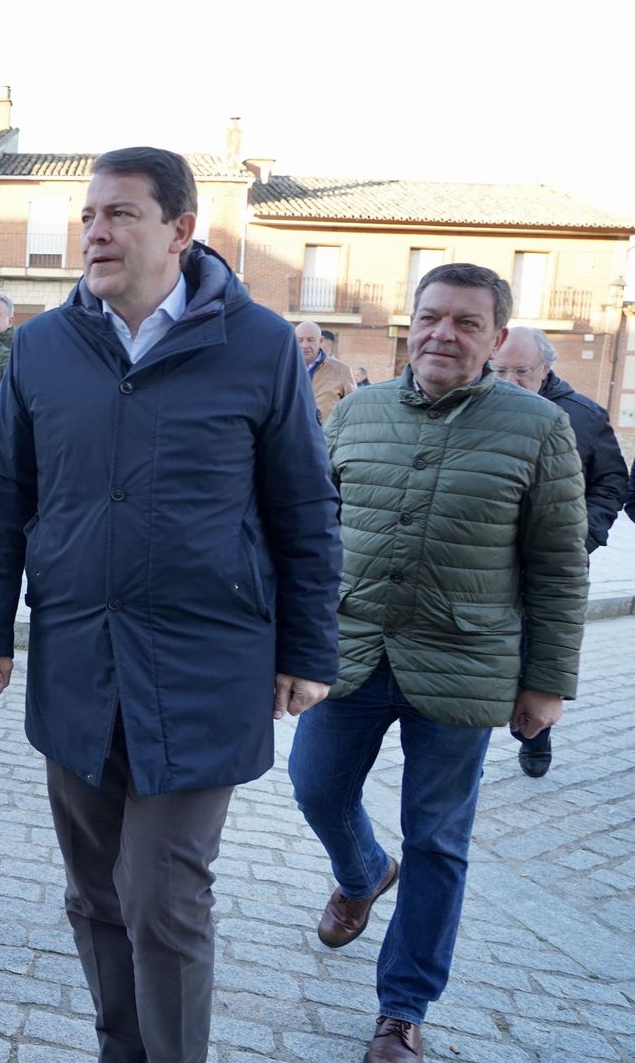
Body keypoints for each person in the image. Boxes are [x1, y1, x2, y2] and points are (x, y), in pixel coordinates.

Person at [0, 147, 341, 1063]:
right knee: (94, 894)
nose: (95, 232)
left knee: (163, 898)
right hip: (78, 660)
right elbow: (4, 492)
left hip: (206, 667)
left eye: (121, 214)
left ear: (180, 230)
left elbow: (303, 504)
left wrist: (309, 650)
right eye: (89, 216)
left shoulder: (259, 345)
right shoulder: (43, 346)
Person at [291, 264, 586, 1062]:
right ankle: (362, 873)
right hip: (351, 650)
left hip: (465, 663)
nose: (442, 334)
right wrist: (289, 639)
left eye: (465, 322)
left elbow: (560, 566)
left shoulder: (538, 428)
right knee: (314, 786)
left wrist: (547, 682)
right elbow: (312, 532)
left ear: (496, 337)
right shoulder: (359, 411)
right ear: (410, 323)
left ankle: (402, 1009)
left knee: (438, 841)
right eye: (430, 317)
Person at [489, 323, 622, 778]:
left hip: (548, 567)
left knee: (536, 654)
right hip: (483, 564)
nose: (509, 381)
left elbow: (611, 482)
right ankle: (464, 752)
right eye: (499, 370)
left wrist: (582, 537)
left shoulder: (583, 414)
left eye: (521, 372)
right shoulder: (474, 405)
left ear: (545, 368)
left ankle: (534, 736)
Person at [295, 320, 356, 421]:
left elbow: (353, 408)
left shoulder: (341, 370)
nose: (304, 345)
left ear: (321, 340)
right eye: (300, 340)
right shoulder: (282, 368)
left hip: (325, 431)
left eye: (310, 340)